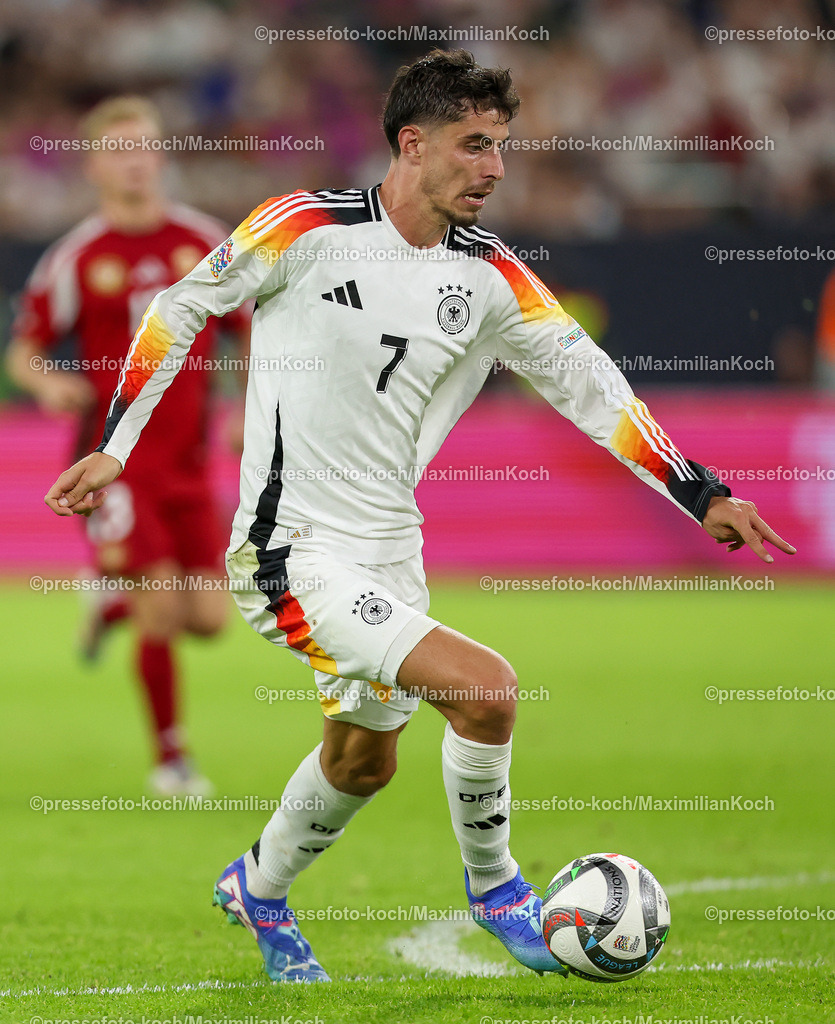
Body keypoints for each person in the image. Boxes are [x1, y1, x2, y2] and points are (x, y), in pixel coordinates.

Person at [45, 50, 795, 982]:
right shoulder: (306, 225)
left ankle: (258, 888)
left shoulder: (491, 277)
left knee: (362, 762)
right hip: (288, 551)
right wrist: (116, 443)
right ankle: (499, 890)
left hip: (391, 552)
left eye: (501, 146)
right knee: (486, 691)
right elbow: (179, 308)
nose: (495, 167)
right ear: (412, 143)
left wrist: (700, 491)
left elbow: (592, 386)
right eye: (473, 145)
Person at [11, 96, 249, 795]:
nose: (135, 161)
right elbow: (24, 350)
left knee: (208, 620)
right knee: (163, 608)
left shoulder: (204, 242)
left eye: (144, 146)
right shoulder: (77, 257)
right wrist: (48, 382)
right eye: (118, 150)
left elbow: (255, 326)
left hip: (189, 464)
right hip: (113, 464)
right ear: (93, 166)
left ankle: (107, 603)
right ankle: (172, 760)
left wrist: (248, 402)